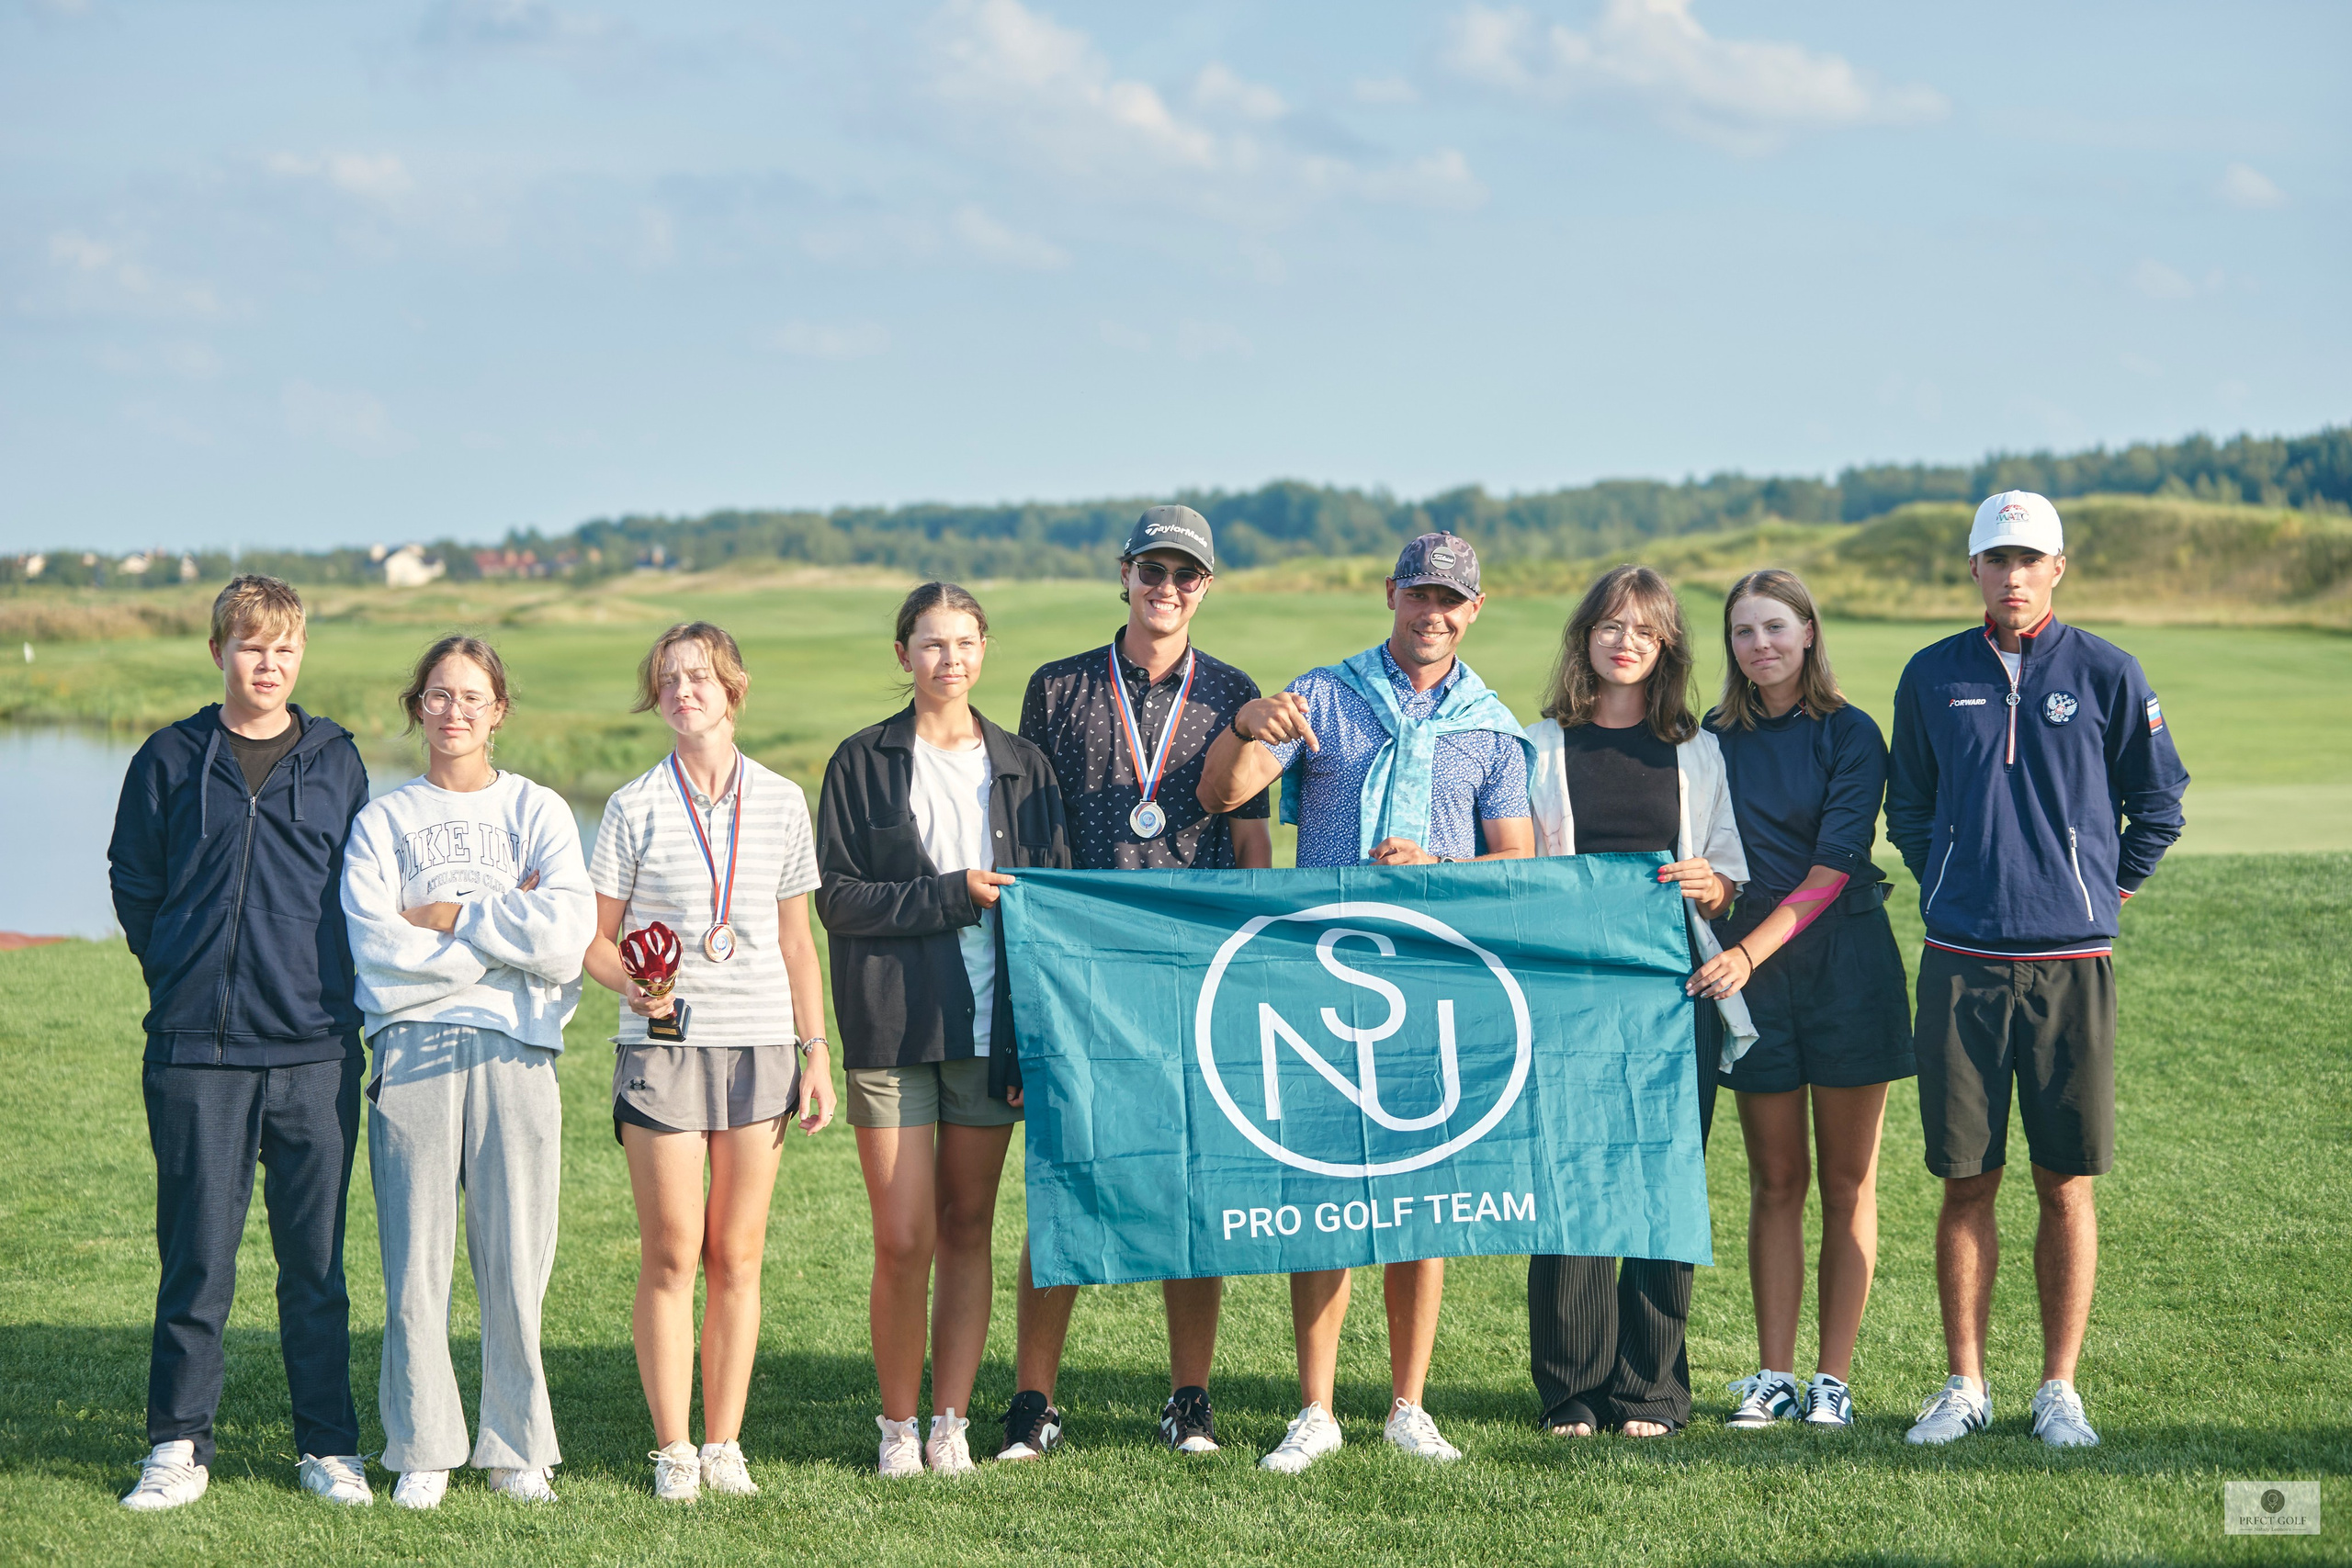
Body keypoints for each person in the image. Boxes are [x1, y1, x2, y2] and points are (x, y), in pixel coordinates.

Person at [1196, 531, 1533, 1474]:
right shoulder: (1327, 695)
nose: (1433, 613)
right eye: (1419, 595)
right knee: (1326, 1190)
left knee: (1421, 1191)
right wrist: (1247, 729)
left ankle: (1408, 1405)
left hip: (1435, 986)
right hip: (1321, 977)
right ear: (1391, 594)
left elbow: (1521, 863)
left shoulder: (1488, 728)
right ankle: (1315, 1407)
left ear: (1473, 611)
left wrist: (1442, 865)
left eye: (1451, 601)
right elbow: (1225, 795)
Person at [1886, 491, 2187, 1449]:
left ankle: (2058, 1389)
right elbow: (1911, 808)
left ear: (2058, 568)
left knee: (2066, 1181)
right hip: (1960, 962)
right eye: (1995, 559)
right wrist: (1950, 883)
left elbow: (2160, 803)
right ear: (1971, 568)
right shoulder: (1932, 674)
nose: (2011, 577)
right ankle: (1964, 1385)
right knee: (1964, 1180)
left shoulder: (2106, 671)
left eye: (2029, 560)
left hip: (2070, 966)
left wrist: (2103, 893)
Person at [1002, 505, 1273, 1461]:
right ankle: (1034, 1401)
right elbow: (1031, 840)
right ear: (1123, 575)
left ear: (1206, 586)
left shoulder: (1233, 692)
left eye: (1186, 575)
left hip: (1190, 979)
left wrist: (1248, 977)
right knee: (1065, 1181)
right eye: (1152, 571)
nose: (1167, 589)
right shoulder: (1059, 687)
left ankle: (1187, 1398)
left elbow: (1248, 845)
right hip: (1078, 977)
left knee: (1192, 1187)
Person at [107, 574, 374, 1510]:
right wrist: (178, 969)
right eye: (252, 646)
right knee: (198, 1260)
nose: (269, 663)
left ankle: (328, 1449)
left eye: (285, 649)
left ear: (301, 657)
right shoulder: (171, 757)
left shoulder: (338, 759)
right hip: (196, 1053)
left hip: (315, 1052)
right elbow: (133, 879)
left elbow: (357, 894)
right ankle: (177, 1447)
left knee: (315, 1267)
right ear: (219, 651)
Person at [815, 583, 1069, 1478]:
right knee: (902, 1237)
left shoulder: (1023, 767)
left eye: (963, 643)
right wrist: (948, 892)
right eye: (930, 644)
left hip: (990, 1031)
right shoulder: (861, 763)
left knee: (968, 1227)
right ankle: (896, 1428)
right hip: (891, 1029)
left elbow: (1052, 912)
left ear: (983, 650)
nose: (947, 659)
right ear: (902, 655)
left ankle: (950, 1423)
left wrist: (1028, 1042)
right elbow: (838, 901)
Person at [580, 622, 837, 1503]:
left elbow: (799, 943)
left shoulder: (783, 799)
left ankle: (724, 1443)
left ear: (733, 686)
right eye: (668, 679)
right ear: (655, 697)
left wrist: (817, 1053)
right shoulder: (632, 805)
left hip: (763, 1045)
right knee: (673, 1252)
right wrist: (637, 986)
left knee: (738, 1252)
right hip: (664, 1050)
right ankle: (673, 1448)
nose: (684, 690)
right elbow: (595, 939)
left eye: (700, 675)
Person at [341, 636, 595, 1507]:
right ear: (418, 707)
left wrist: (450, 915)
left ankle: (516, 1443)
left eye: (472, 697)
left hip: (518, 1049)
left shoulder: (540, 810)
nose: (454, 711)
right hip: (412, 1047)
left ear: (499, 711)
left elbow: (565, 941)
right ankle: (423, 1444)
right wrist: (498, 942)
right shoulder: (383, 821)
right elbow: (376, 951)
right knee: (415, 1257)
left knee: (517, 1255)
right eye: (439, 696)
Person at [1519, 563, 1752, 1439]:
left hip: (1673, 995)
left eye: (1646, 632)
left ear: (1666, 650)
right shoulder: (1536, 745)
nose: (1627, 643)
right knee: (1571, 1185)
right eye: (1612, 626)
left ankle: (1651, 1390)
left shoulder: (1697, 750)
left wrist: (1712, 884)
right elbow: (1514, 869)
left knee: (1663, 1185)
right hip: (1572, 997)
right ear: (1585, 638)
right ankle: (1571, 1389)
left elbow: (1727, 872)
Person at [1684, 570, 1914, 1431]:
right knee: (1777, 1180)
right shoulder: (1712, 736)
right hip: (1756, 985)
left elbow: (1834, 867)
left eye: (1776, 627)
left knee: (1849, 1183)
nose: (1760, 646)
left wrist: (1746, 948)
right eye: (1743, 632)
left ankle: (1832, 1381)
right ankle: (1773, 1374)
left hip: (1846, 967)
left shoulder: (1852, 735)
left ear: (1810, 632)